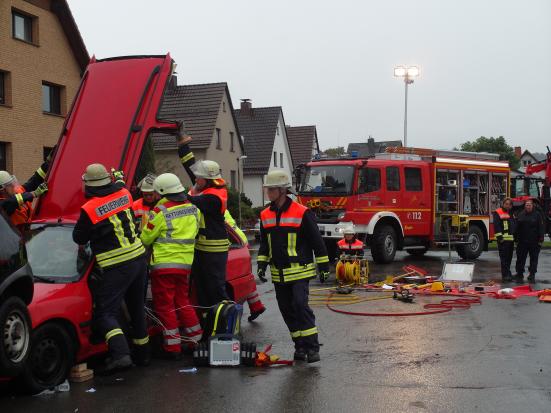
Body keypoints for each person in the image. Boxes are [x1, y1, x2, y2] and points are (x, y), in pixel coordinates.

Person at [72, 163, 149, 374]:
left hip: (117, 265)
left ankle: (121, 355)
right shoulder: (124, 193)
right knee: (136, 308)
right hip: (139, 258)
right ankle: (142, 355)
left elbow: (78, 237)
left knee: (105, 313)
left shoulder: (89, 209)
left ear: (88, 185)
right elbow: (120, 188)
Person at [257, 170, 330, 363]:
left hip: (300, 271)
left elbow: (317, 242)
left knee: (300, 305)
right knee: (287, 311)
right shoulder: (265, 214)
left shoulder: (302, 212)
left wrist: (323, 266)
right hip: (279, 274)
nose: (268, 192)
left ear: (282, 191)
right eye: (267, 189)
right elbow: (265, 243)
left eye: (271, 189)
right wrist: (261, 263)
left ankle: (312, 348)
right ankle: (299, 347)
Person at [140, 173, 203, 359]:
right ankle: (196, 340)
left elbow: (145, 238)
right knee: (183, 302)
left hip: (163, 266)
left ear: (162, 192)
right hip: (185, 266)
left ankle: (173, 348)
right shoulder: (194, 209)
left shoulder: (160, 212)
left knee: (165, 306)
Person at [177, 134, 230, 307]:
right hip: (201, 247)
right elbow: (191, 167)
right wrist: (183, 145)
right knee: (201, 289)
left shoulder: (215, 197)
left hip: (214, 249)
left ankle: (225, 324)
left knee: (215, 288)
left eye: (198, 177)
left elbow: (190, 200)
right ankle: (209, 323)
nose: (195, 179)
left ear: (208, 180)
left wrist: (171, 192)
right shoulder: (204, 185)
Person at [224, 209, 266, 322]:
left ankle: (256, 307)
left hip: (234, 243)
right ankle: (257, 306)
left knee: (246, 278)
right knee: (247, 278)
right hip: (239, 240)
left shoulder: (209, 204)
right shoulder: (221, 205)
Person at [0, 162, 50, 229]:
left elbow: (33, 182)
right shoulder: (2, 205)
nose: (13, 185)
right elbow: (11, 202)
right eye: (9, 184)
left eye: (12, 182)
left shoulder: (17, 192)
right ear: (3, 190)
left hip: (29, 232)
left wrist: (47, 163)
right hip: (17, 237)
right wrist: (34, 193)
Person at [515, 199, 545, 283]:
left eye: (529, 205)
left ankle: (532, 274)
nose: (528, 206)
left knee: (534, 258)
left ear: (532, 206)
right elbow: (517, 227)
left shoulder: (537, 215)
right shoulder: (521, 214)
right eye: (526, 205)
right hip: (522, 241)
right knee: (520, 258)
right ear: (525, 206)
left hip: (534, 241)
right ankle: (519, 273)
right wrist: (516, 239)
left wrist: (541, 238)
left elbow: (541, 227)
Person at [493, 197, 515, 282]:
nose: (508, 205)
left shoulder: (511, 213)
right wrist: (500, 238)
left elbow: (513, 225)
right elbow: (496, 226)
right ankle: (506, 275)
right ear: (503, 204)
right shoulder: (498, 212)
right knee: (504, 259)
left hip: (510, 240)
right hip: (503, 240)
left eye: (509, 204)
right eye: (506, 204)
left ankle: (507, 274)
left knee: (509, 258)